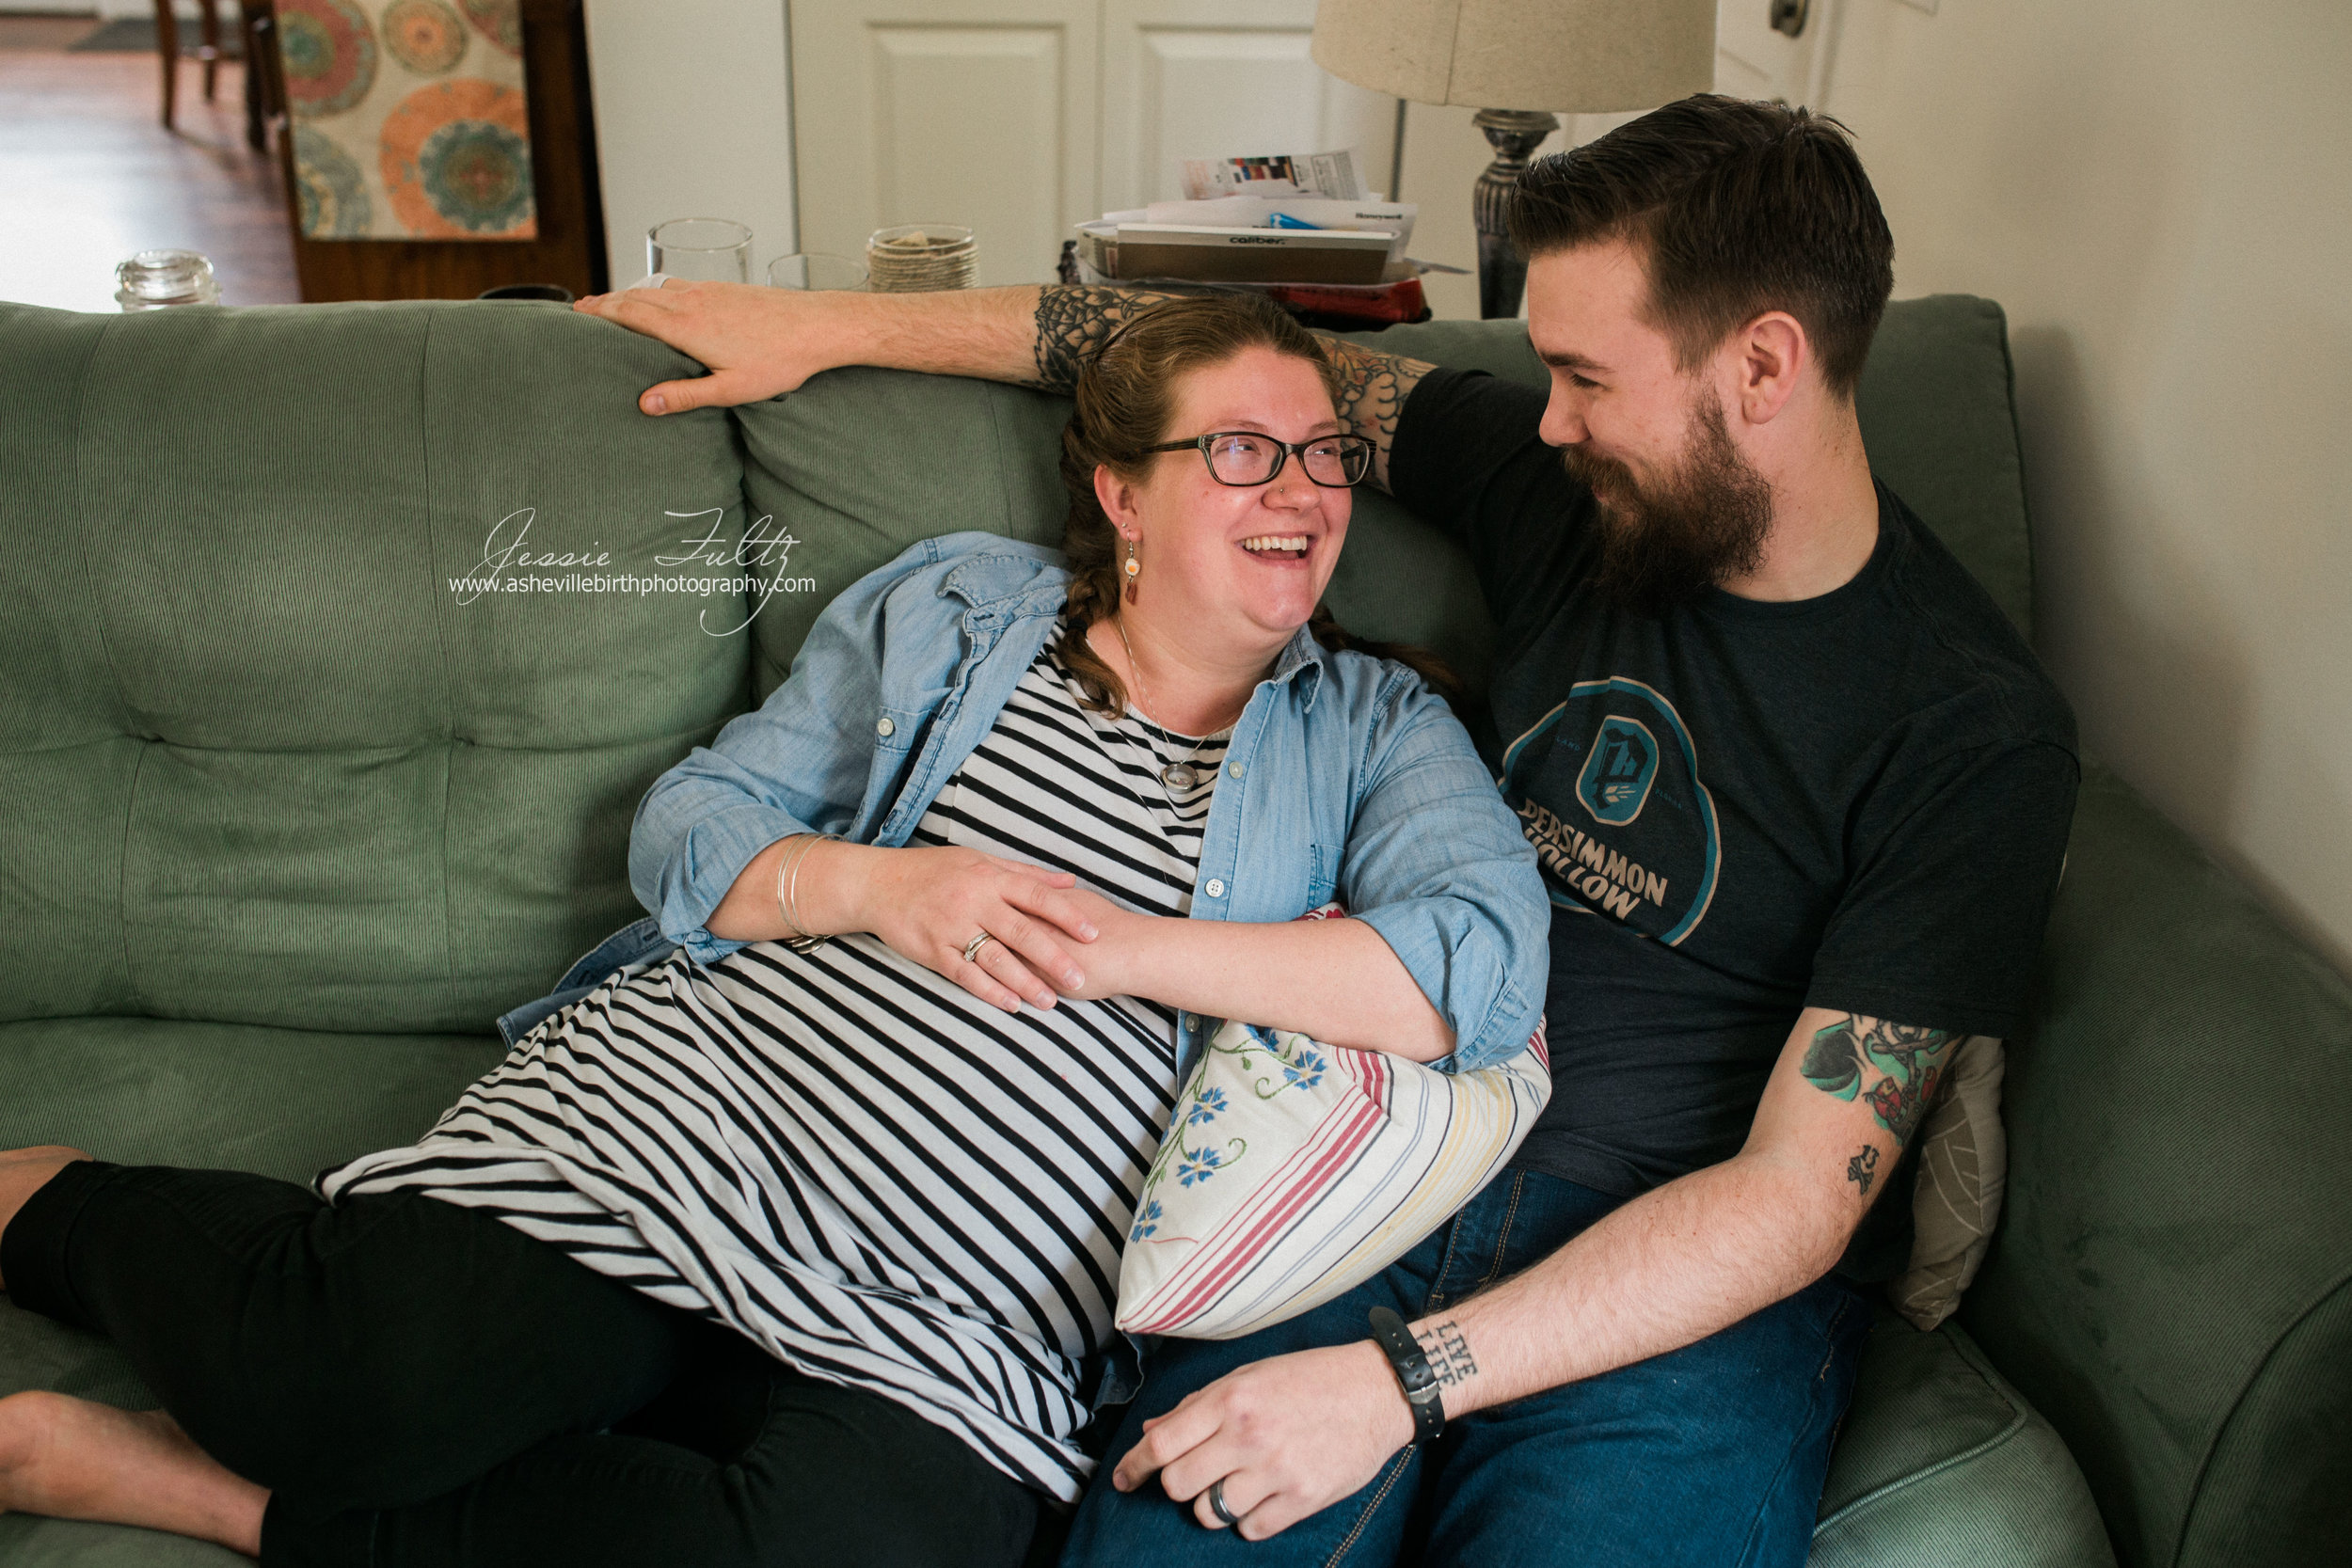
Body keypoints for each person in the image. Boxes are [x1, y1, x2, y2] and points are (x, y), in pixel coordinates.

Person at [549, 93, 2082, 1566]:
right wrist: (830, 327)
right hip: (1354, 1172)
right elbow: (1177, 366)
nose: (1546, 421)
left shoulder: (1969, 730)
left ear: (1760, 367)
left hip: (1667, 1295)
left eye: (1588, 379)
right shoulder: (1559, 496)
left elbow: (1798, 1195)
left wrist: (1399, 1385)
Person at [0, 294, 1550, 1566]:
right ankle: (45, 1198)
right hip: (705, 1121)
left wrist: (1122, 949)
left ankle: (212, 1498)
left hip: (976, 1284)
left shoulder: (1373, 725)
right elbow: (696, 829)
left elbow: (1478, 976)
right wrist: (890, 888)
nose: (1303, 489)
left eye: (1325, 453)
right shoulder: (964, 609)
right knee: (355, 1382)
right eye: (1241, 451)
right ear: (1120, 492)